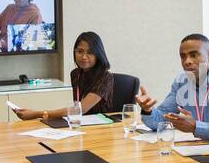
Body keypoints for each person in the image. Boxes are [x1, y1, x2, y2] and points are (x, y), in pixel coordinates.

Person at [13, 32, 144, 120]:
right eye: (80, 51)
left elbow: (81, 109)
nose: (84, 57)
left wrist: (37, 114)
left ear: (98, 54)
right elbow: (76, 107)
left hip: (103, 129)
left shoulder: (105, 77)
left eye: (90, 53)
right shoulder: (76, 74)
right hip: (82, 125)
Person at [136, 33, 209, 141]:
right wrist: (148, 110)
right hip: (195, 148)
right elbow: (162, 120)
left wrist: (196, 127)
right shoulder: (182, 81)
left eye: (194, 55)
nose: (187, 61)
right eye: (183, 56)